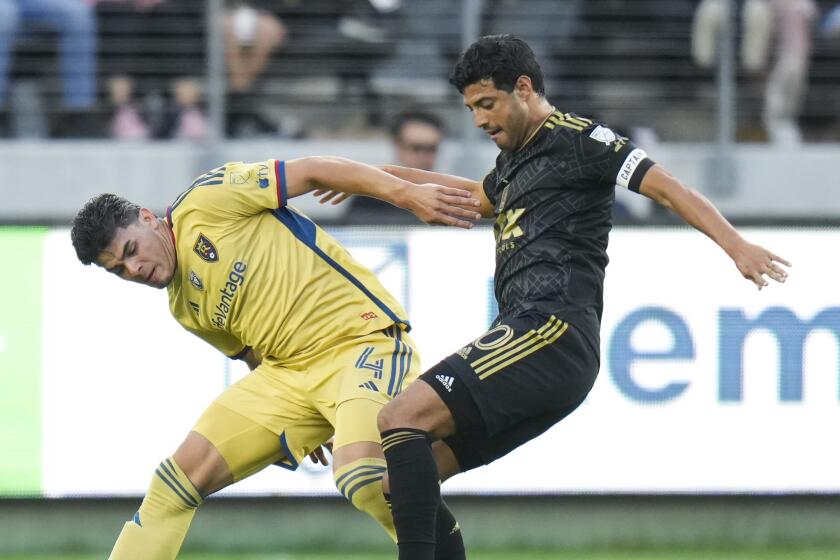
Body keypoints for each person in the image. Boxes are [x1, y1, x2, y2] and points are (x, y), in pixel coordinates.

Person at [369, 35, 791, 559]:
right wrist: (376, 179)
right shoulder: (511, 164)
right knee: (404, 480)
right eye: (471, 108)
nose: (478, 120)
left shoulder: (582, 140)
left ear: (522, 88)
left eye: (486, 104)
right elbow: (472, 199)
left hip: (550, 332)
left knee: (399, 418)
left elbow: (667, 188)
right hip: (542, 348)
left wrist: (737, 246)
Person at [70, 156, 483, 559]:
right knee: (173, 483)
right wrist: (311, 418)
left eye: (130, 250)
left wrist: (408, 195)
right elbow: (255, 356)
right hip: (288, 374)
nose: (135, 268)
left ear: (146, 217)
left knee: (361, 476)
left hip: (360, 342)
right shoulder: (184, 307)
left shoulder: (206, 201)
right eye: (119, 269)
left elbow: (314, 170)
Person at [344, 109, 445, 225]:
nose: (423, 156)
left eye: (431, 149)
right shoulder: (370, 192)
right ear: (397, 145)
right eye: (416, 148)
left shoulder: (448, 194)